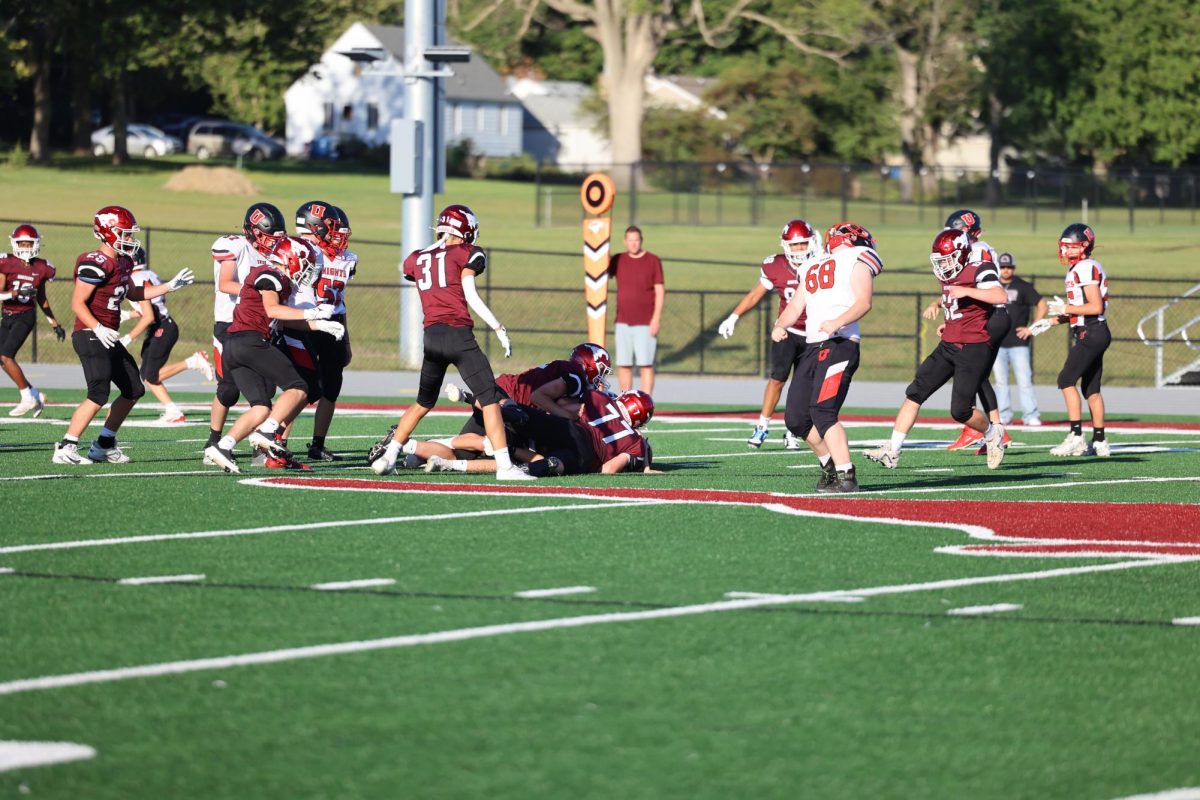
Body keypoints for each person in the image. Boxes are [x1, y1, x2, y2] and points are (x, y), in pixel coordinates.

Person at [369, 204, 533, 481]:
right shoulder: (467, 253)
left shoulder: (417, 256)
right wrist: (497, 326)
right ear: (466, 230)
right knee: (490, 400)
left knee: (423, 402)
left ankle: (388, 456)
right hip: (458, 335)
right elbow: (468, 291)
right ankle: (505, 467)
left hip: (432, 337)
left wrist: (438, 246)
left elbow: (414, 267)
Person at [52, 206, 195, 465]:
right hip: (90, 333)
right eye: (124, 234)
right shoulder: (95, 262)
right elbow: (77, 303)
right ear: (106, 233)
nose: (129, 240)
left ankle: (104, 445)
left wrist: (170, 286)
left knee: (134, 388)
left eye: (130, 235)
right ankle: (66, 446)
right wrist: (96, 327)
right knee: (98, 393)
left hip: (107, 334)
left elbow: (135, 294)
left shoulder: (123, 261)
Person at [864, 228, 1009, 472]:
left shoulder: (981, 267)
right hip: (949, 344)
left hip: (973, 348)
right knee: (915, 392)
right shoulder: (949, 274)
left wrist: (967, 291)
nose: (943, 266)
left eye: (948, 259)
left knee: (960, 411)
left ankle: (993, 433)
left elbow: (999, 295)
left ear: (962, 254)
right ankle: (893, 450)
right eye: (940, 261)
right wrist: (939, 307)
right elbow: (952, 298)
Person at [203, 237, 343, 473]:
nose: (307, 272)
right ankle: (268, 432)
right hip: (251, 342)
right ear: (291, 260)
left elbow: (283, 319)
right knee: (299, 387)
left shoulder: (276, 278)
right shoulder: (271, 274)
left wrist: (320, 324)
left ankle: (222, 446)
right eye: (306, 265)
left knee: (261, 408)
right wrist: (313, 311)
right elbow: (273, 310)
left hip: (235, 346)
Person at [772, 222, 881, 493]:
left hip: (840, 345)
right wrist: (780, 324)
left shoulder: (856, 260)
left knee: (823, 411)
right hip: (813, 347)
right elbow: (796, 304)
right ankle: (829, 466)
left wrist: (837, 322)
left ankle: (847, 475)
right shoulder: (813, 265)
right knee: (796, 419)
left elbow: (863, 302)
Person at [718, 219, 821, 451]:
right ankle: (763, 425)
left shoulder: (821, 264)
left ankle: (794, 429)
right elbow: (755, 295)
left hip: (815, 334)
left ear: (812, 242)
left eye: (803, 244)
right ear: (785, 246)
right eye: (794, 245)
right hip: (786, 332)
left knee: (805, 386)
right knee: (777, 380)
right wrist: (734, 316)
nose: (798, 250)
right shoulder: (774, 265)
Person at [205, 203, 288, 460]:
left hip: (261, 327)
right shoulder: (236, 246)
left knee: (265, 390)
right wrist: (254, 291)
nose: (271, 243)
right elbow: (225, 282)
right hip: (230, 325)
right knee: (228, 390)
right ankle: (213, 442)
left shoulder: (274, 256)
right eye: (267, 236)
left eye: (276, 237)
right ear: (251, 231)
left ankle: (258, 446)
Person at [929, 210, 1010, 451]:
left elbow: (972, 286)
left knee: (975, 371)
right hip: (985, 312)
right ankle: (984, 429)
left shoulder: (977, 250)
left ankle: (992, 430)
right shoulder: (976, 249)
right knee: (975, 372)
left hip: (991, 313)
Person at [120, 246, 215, 425]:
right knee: (147, 375)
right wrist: (128, 315)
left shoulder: (135, 278)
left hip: (162, 327)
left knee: (151, 375)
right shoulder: (148, 274)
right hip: (162, 325)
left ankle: (193, 361)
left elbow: (148, 315)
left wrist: (128, 337)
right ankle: (173, 411)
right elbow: (151, 309)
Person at [1040, 223, 1112, 457]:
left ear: (1084, 246)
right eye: (1063, 246)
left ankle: (1076, 436)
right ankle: (1100, 441)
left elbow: (1095, 306)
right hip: (1093, 330)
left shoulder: (1085, 267)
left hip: (1091, 331)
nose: (1064, 251)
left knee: (1065, 380)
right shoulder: (1082, 267)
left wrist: (1067, 307)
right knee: (1091, 388)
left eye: (1070, 247)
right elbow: (1085, 309)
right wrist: (1053, 321)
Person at [295, 202, 355, 461]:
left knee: (332, 387)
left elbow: (341, 300)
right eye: (333, 229)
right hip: (307, 322)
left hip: (334, 321)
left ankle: (317, 445)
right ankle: (276, 441)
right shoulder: (301, 253)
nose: (339, 235)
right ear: (315, 228)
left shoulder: (348, 258)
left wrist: (347, 338)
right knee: (298, 387)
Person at [0, 223, 64, 417]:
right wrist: (15, 292)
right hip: (7, 315)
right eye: (22, 244)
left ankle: (27, 397)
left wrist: (54, 323)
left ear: (36, 244)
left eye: (29, 244)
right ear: (15, 243)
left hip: (25, 316)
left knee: (6, 356)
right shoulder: (7, 263)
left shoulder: (42, 267)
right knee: (2, 359)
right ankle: (35, 394)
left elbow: (42, 298)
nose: (26, 248)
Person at [992, 252, 1047, 427]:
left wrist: (1032, 328)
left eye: (1009, 267)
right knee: (1000, 382)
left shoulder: (1022, 286)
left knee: (1024, 381)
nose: (1006, 270)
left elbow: (1042, 304)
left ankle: (1030, 415)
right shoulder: (991, 286)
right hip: (996, 343)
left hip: (1018, 343)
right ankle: (1004, 415)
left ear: (1014, 268)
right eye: (1002, 267)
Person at [608, 225, 664, 394]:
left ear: (641, 241)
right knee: (624, 364)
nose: (633, 244)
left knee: (646, 364)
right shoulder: (618, 259)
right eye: (630, 240)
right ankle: (626, 401)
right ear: (625, 242)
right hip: (623, 321)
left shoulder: (652, 260)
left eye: (636, 240)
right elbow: (601, 271)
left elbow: (659, 290)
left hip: (645, 322)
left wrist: (655, 319)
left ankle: (646, 402)